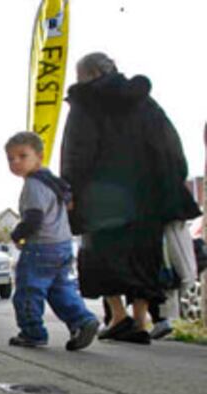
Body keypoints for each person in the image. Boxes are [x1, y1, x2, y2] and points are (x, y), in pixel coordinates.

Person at [61, 52, 200, 345]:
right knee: (143, 255)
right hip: (146, 196)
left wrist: (70, 187)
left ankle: (118, 316)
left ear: (87, 75)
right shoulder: (144, 101)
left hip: (101, 197)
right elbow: (169, 144)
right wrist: (172, 182)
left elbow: (77, 150)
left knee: (101, 255)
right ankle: (139, 320)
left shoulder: (85, 103)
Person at [6, 131, 99, 351]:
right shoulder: (54, 182)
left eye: (22, 156)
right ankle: (82, 320)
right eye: (11, 159)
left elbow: (34, 218)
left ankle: (32, 331)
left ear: (39, 155)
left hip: (41, 247)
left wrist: (18, 234)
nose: (16, 163)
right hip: (63, 245)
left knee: (29, 290)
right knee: (60, 288)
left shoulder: (33, 185)